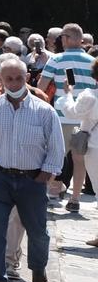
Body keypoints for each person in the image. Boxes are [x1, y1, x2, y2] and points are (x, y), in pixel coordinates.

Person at [0, 51, 66, 282]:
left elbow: (56, 148)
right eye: (9, 79)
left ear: (27, 77)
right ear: (0, 79)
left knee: (38, 231)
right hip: (0, 179)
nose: (14, 83)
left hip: (32, 179)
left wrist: (44, 176)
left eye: (18, 78)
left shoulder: (43, 110)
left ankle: (38, 271)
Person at [43, 24, 97, 216]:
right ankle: (74, 200)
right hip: (87, 119)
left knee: (54, 158)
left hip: (63, 116)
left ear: (66, 38)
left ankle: (44, 194)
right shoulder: (92, 61)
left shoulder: (56, 60)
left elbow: (41, 89)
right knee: (79, 160)